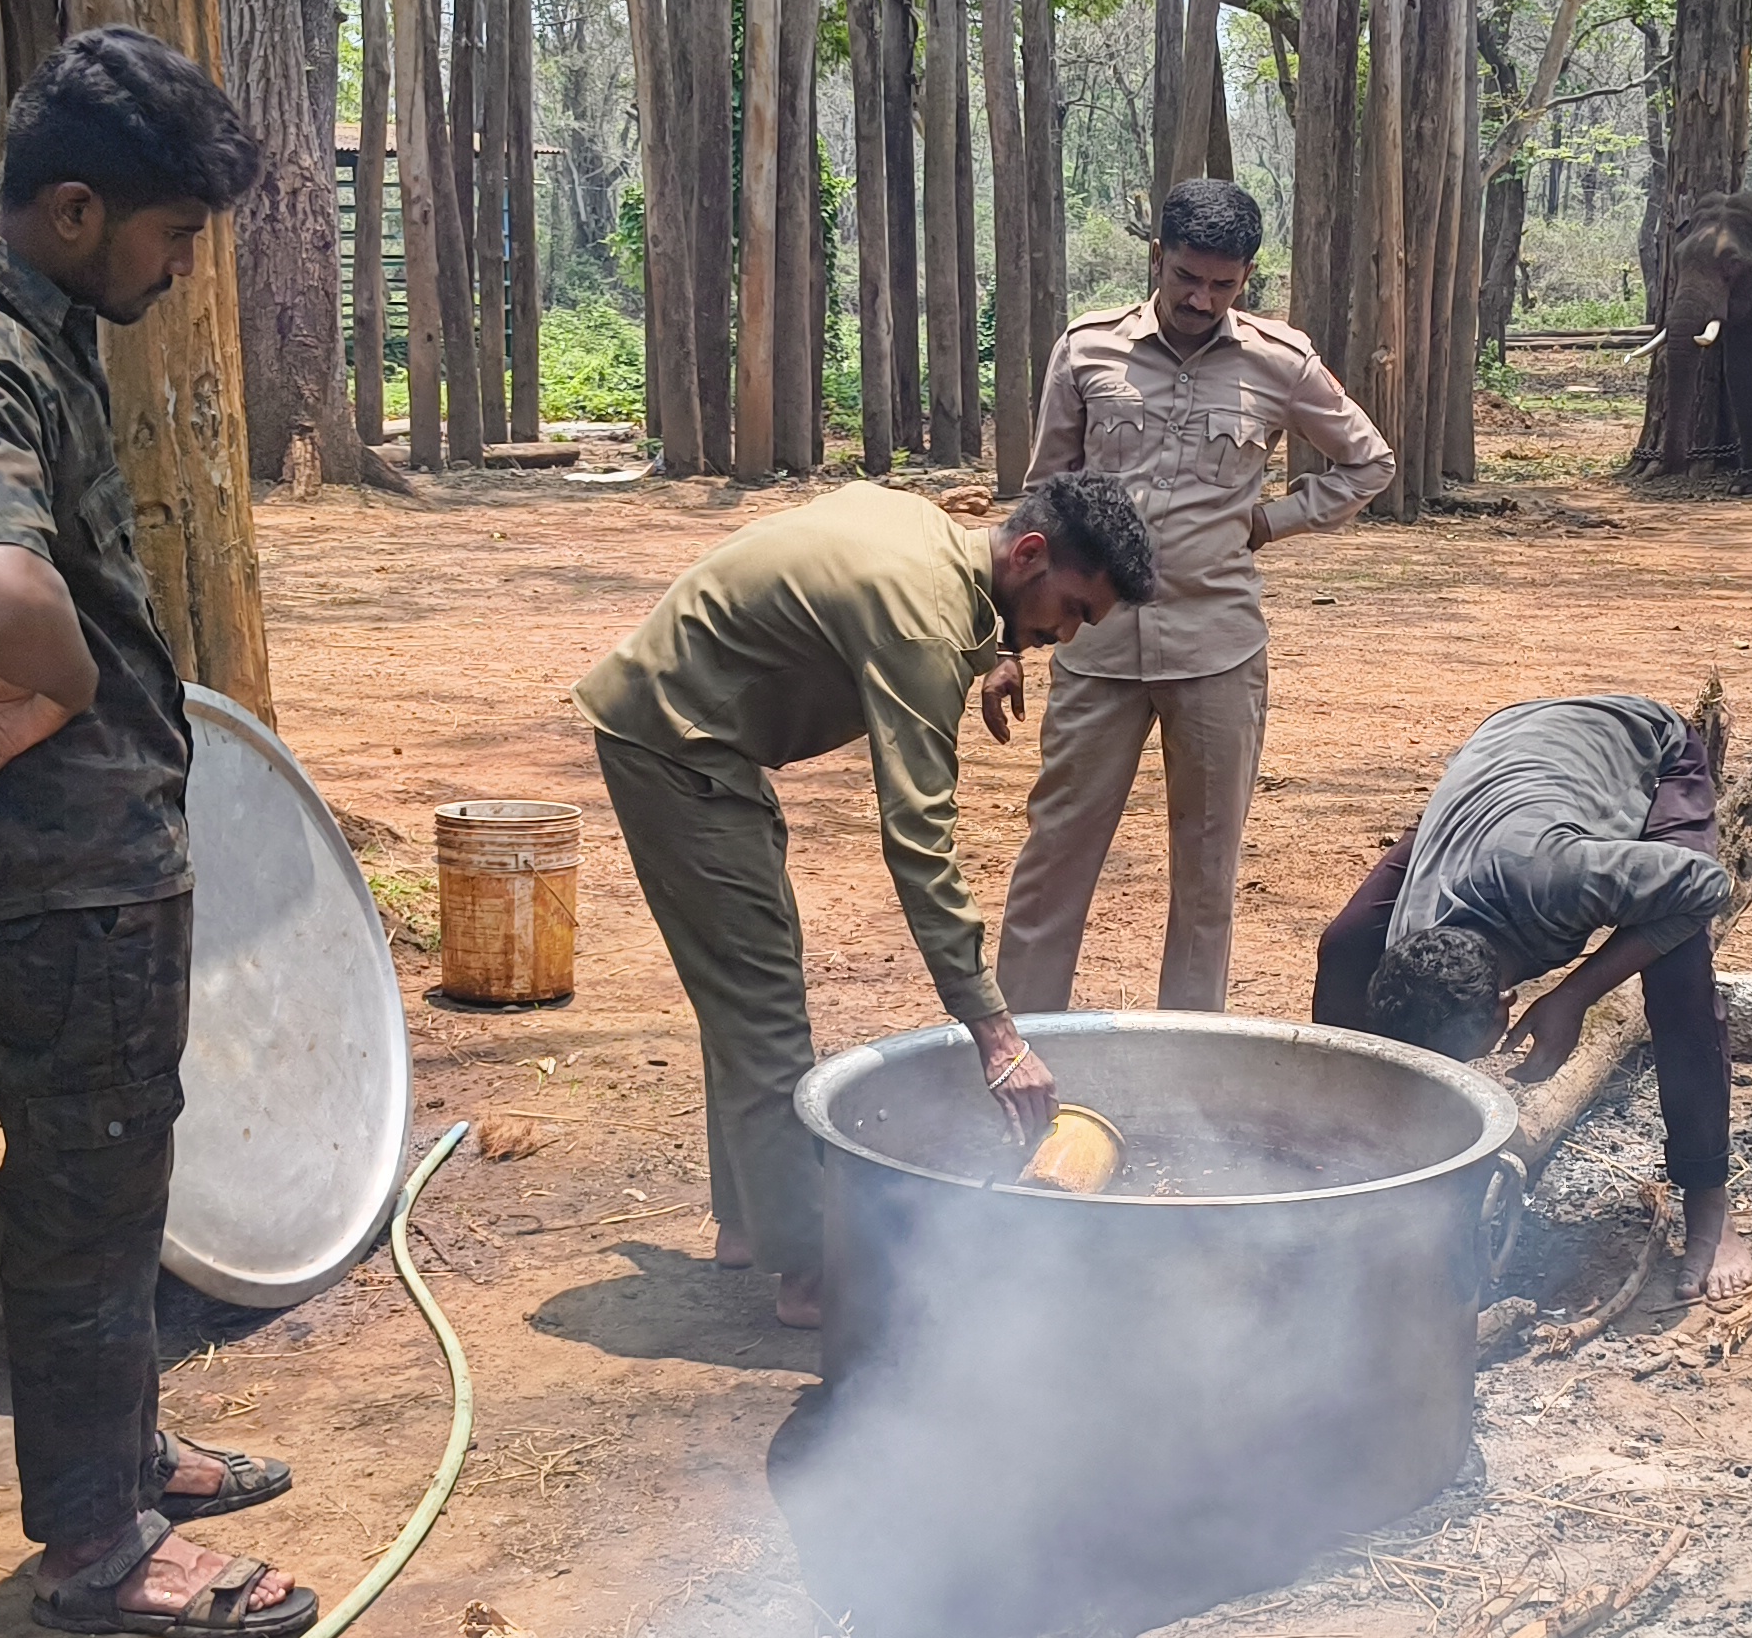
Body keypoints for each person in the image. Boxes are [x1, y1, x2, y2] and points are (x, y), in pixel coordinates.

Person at [0, 29, 311, 1638]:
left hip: (57, 847)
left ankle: (120, 1451)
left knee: (103, 1167)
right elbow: (3, 587)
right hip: (55, 863)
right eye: (173, 239)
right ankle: (101, 1547)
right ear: (84, 208)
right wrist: (58, 682)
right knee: (93, 1191)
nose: (180, 273)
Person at [578, 474, 1158, 1329]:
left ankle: (748, 1224)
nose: (1062, 637)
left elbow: (917, 600)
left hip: (695, 728)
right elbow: (918, 842)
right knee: (765, 1008)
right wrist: (995, 1033)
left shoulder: (929, 534)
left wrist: (1000, 645)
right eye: (1069, 611)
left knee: (746, 984)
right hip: (676, 744)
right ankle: (810, 1274)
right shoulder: (921, 621)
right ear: (1030, 554)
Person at [993, 177, 1395, 1016]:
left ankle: (1189, 1059)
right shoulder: (1088, 348)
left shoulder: (1280, 362)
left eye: (1223, 284)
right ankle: (1021, 1046)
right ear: (1158, 258)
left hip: (1218, 650)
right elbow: (1041, 498)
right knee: (1054, 859)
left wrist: (1270, 523)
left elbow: (1369, 463)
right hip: (1094, 651)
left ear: (1247, 276)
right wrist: (1003, 643)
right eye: (1186, 278)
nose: (1201, 299)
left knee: (1206, 874)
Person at [1312, 696, 1752, 1301]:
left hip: (1633, 744)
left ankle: (1710, 1204)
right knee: (1343, 945)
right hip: (1496, 755)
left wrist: (1575, 995)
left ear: (1507, 1002)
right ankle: (1348, 1154)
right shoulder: (1407, 937)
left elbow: (1707, 886)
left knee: (1678, 976)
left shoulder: (1563, 879)